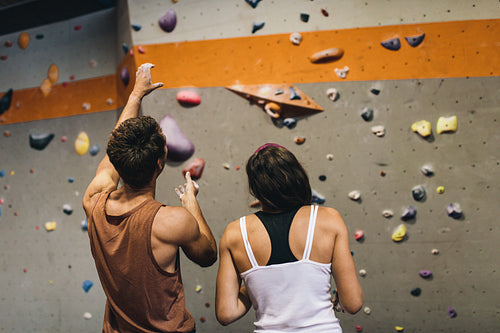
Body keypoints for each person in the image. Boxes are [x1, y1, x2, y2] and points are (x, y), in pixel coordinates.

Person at [83, 63, 217, 333]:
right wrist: (192, 205)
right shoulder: (172, 220)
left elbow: (113, 154)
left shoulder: (94, 201)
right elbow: (208, 255)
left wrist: (135, 96)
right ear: (159, 164)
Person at [215, 143, 363, 332]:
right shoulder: (328, 220)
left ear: (255, 188)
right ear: (297, 177)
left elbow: (226, 313)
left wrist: (254, 283)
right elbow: (353, 303)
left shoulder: (235, 233)